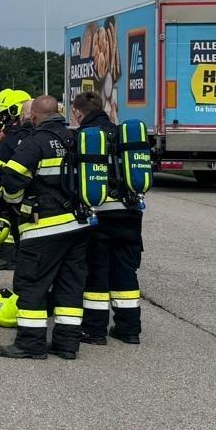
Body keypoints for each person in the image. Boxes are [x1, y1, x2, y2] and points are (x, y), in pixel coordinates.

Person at [0, 96, 88, 360]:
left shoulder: (34, 142)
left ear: (34, 117)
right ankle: (67, 344)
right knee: (69, 286)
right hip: (77, 225)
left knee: (32, 284)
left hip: (43, 227)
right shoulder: (75, 139)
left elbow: (12, 181)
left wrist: (14, 204)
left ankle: (30, 344)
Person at [71, 90, 144, 345]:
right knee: (126, 271)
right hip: (130, 213)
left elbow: (72, 180)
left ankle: (94, 330)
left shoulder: (82, 138)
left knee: (96, 273)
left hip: (97, 215)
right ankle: (129, 329)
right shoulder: (123, 135)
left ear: (78, 112)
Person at [0, 89, 31, 271]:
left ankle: (9, 256)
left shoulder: (16, 135)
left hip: (13, 187)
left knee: (10, 218)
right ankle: (11, 253)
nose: (4, 119)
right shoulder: (14, 131)